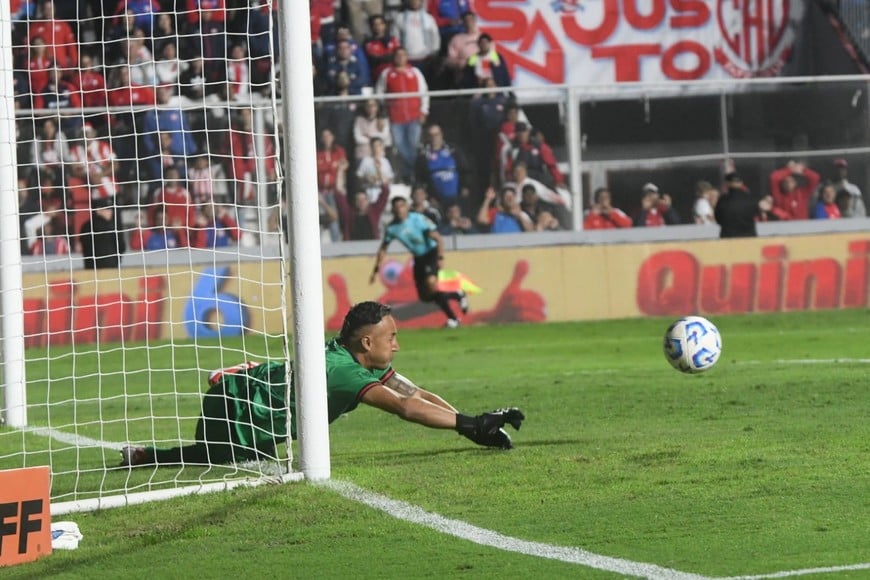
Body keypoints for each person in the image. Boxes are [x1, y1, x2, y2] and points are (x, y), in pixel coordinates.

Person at [120, 301, 525, 466]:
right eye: (392, 338)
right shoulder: (344, 371)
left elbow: (415, 393)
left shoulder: (358, 359)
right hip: (234, 406)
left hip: (251, 399)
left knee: (247, 458)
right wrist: (472, 424)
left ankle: (145, 455)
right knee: (222, 460)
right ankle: (147, 455)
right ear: (367, 343)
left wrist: (469, 426)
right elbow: (405, 408)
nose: (397, 346)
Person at [370, 197, 470, 328]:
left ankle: (453, 319)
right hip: (418, 258)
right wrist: (376, 269)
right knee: (426, 296)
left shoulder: (417, 219)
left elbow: (437, 238)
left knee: (431, 283)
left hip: (431, 253)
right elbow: (383, 248)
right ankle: (457, 294)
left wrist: (440, 257)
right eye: (396, 207)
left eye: (402, 206)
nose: (399, 210)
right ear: (393, 210)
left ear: (407, 207)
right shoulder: (392, 228)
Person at [80, 198, 126, 269]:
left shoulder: (86, 226)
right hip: (111, 268)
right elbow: (121, 246)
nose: (110, 212)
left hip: (91, 269)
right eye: (107, 209)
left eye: (111, 209)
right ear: (98, 210)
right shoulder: (112, 227)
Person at [714, 172, 762, 238]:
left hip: (728, 238)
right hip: (749, 237)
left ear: (727, 183)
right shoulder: (750, 198)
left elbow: (718, 219)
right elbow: (757, 214)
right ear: (741, 183)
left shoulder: (723, 200)